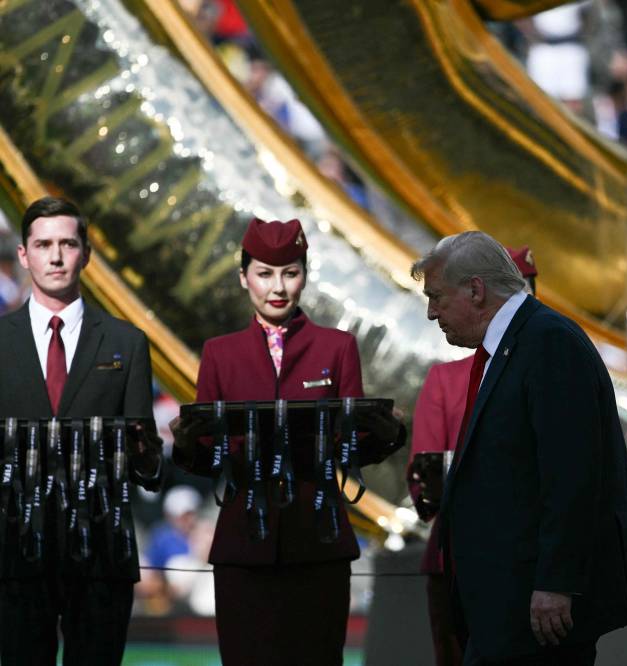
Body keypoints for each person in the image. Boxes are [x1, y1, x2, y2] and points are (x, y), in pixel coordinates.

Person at [411, 231, 627, 665]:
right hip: (506, 606)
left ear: (475, 289)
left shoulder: (548, 342)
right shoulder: (514, 345)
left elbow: (572, 476)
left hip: (535, 611)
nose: (432, 313)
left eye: (436, 297)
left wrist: (556, 583)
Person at [170, 217, 405, 665]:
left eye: (290, 272)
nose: (278, 286)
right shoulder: (220, 352)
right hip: (244, 545)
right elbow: (207, 457)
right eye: (264, 273)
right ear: (244, 278)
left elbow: (351, 445)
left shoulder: (337, 347)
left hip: (318, 541)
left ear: (305, 275)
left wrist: (387, 435)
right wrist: (186, 443)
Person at [0, 196, 163, 664]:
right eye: (44, 244)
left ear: (86, 254)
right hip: (14, 552)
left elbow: (145, 464)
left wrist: (149, 448)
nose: (55, 256)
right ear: (23, 254)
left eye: (68, 244)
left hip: (101, 552)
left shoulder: (126, 342)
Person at [407, 246, 539, 666]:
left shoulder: (548, 354)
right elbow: (425, 477)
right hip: (458, 557)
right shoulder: (447, 379)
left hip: (528, 556)